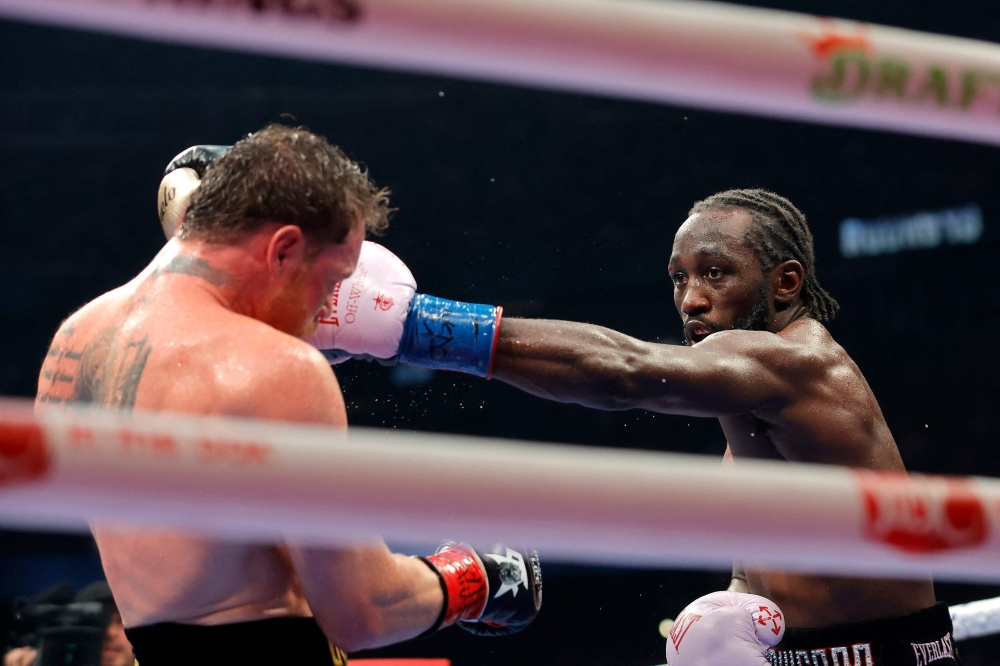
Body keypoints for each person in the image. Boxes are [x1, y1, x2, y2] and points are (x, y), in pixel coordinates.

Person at [300, 187, 957, 665]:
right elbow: (761, 574)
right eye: (679, 278)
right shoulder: (752, 407)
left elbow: (625, 372)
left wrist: (418, 328)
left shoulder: (797, 361)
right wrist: (729, 609)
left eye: (715, 274)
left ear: (785, 283)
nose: (691, 298)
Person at [36, 126, 541, 666]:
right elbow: (364, 611)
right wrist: (477, 577)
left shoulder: (73, 344)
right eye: (330, 284)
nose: (323, 314)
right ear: (283, 250)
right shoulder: (278, 369)